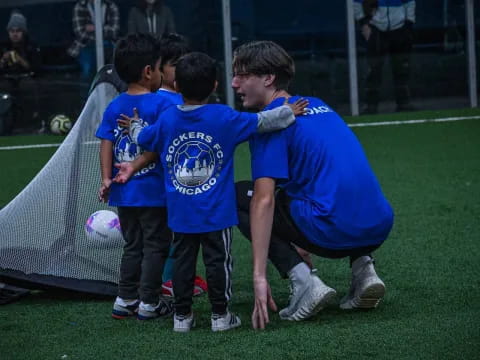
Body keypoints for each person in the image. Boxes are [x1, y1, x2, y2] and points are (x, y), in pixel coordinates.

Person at [115, 52, 308, 332]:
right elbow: (265, 122)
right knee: (218, 262)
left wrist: (133, 125)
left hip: (180, 212)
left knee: (182, 262)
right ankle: (220, 316)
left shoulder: (168, 120)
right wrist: (290, 111)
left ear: (177, 86)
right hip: (217, 214)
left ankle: (182, 317)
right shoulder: (224, 117)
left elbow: (142, 137)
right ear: (215, 85)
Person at [231, 41, 394, 329]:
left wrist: (259, 276)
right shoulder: (319, 104)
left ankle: (305, 282)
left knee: (237, 195)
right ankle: (364, 271)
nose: (234, 83)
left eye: (242, 76)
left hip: (331, 229)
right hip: (379, 224)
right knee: (326, 188)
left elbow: (264, 200)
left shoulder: (270, 123)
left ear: (268, 78)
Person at [95, 33, 173, 321]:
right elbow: (161, 141)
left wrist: (106, 179)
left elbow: (105, 141)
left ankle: (125, 298)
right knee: (156, 246)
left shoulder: (115, 105)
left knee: (133, 245)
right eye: (161, 67)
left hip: (123, 191)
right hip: (153, 191)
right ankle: (150, 303)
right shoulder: (161, 105)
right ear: (149, 71)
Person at [151, 32, 208, 298]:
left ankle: (180, 275)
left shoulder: (174, 99)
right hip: (169, 183)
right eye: (175, 64)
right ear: (158, 68)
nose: (182, 69)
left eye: (185, 62)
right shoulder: (167, 102)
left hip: (179, 179)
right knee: (175, 233)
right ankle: (169, 280)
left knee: (181, 232)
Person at [354, 0, 416, 114]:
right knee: (373, 69)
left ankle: (404, 103)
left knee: (401, 68)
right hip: (376, 29)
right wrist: (363, 24)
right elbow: (356, 2)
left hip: (400, 29)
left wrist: (408, 24)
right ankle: (370, 105)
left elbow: (410, 2)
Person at [0, 10, 41, 134]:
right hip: (6, 77)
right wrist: (3, 60)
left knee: (28, 87)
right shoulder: (3, 46)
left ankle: (31, 121)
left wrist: (20, 60)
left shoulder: (31, 46)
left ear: (23, 32)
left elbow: (36, 68)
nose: (15, 34)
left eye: (18, 31)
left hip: (25, 77)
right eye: (12, 31)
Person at [68, 0, 120, 80]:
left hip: (108, 44)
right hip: (85, 44)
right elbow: (80, 33)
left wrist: (95, 28)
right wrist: (103, 31)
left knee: (115, 69)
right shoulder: (80, 6)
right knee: (87, 71)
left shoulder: (111, 6)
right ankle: (86, 90)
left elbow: (113, 31)